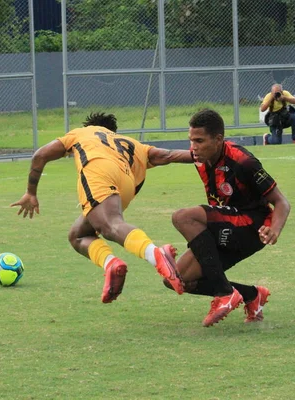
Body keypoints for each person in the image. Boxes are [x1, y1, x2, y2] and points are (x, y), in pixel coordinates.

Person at [11, 112, 193, 303]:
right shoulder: (132, 143)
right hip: (126, 184)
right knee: (78, 235)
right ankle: (111, 264)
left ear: (91, 125)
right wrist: (207, 155)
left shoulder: (83, 132)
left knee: (110, 226)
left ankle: (156, 254)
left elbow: (41, 155)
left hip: (99, 171)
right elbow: (170, 155)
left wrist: (31, 192)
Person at [163, 109, 291, 327]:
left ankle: (224, 293)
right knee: (176, 280)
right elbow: (166, 156)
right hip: (224, 226)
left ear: (218, 139)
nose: (193, 146)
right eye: (191, 140)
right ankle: (251, 295)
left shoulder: (243, 162)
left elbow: (281, 202)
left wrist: (275, 230)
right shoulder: (199, 156)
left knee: (183, 218)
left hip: (251, 227)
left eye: (199, 141)